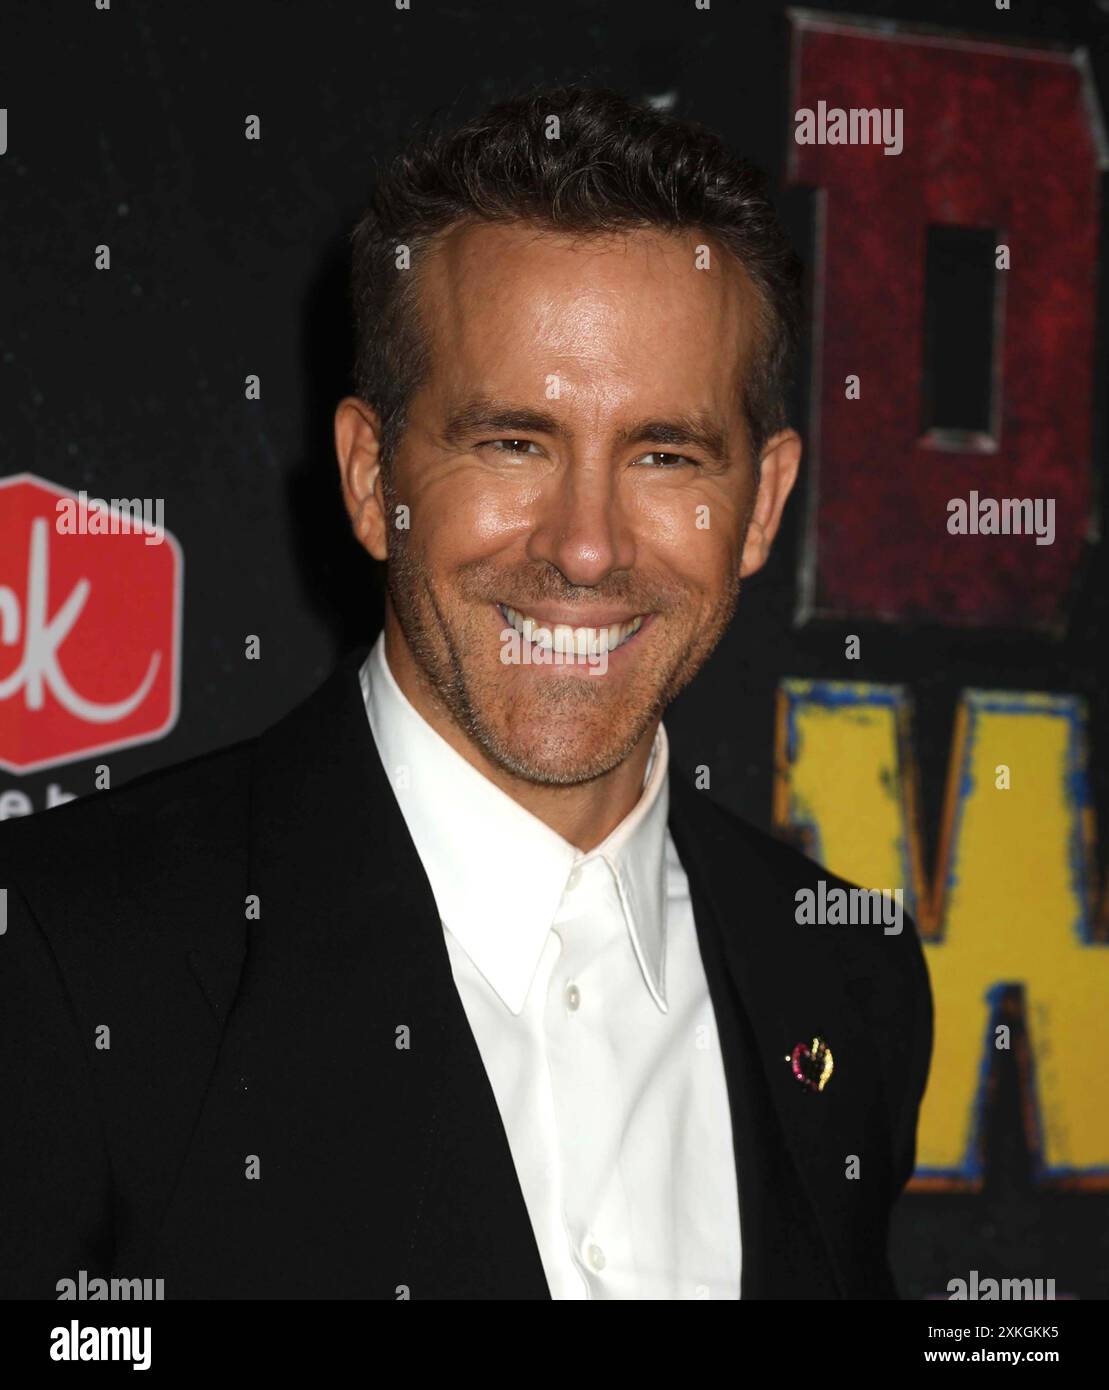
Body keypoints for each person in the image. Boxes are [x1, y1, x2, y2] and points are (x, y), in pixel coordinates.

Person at [0, 85, 931, 1300]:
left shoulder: (847, 975)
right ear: (369, 476)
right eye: (511, 443)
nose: (585, 546)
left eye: (663, 455)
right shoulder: (66, 960)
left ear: (758, 507)